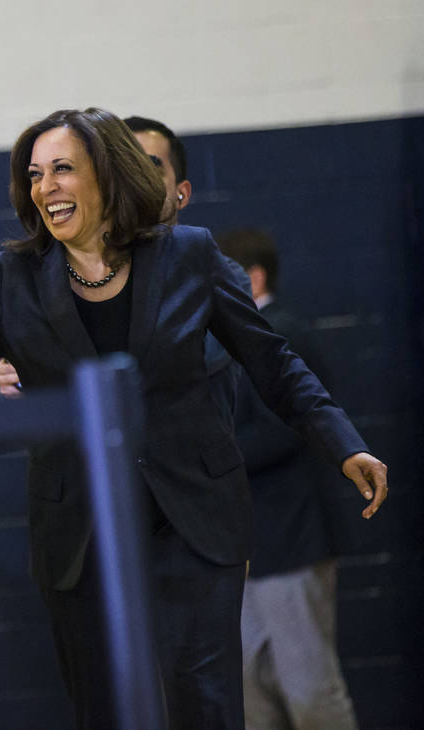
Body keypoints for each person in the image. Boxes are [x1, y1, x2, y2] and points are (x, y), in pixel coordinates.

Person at [0, 108, 388, 729]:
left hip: (193, 518)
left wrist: (342, 442)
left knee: (205, 704)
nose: (45, 187)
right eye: (34, 175)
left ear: (106, 176)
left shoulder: (191, 255)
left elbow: (273, 362)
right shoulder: (13, 278)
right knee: (101, 709)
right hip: (81, 532)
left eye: (62, 170)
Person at [0, 115, 249, 421]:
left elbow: (181, 364)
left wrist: (49, 367)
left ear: (182, 192)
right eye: (122, 165)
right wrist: (24, 376)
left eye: (150, 165)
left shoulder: (218, 271)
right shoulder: (67, 275)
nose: (134, 176)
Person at [218, 228, 358, 730]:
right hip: (254, 548)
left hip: (291, 541)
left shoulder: (281, 334)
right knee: (255, 691)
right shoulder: (244, 339)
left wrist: (210, 459)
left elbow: (286, 429)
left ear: (253, 278)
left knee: (309, 688)